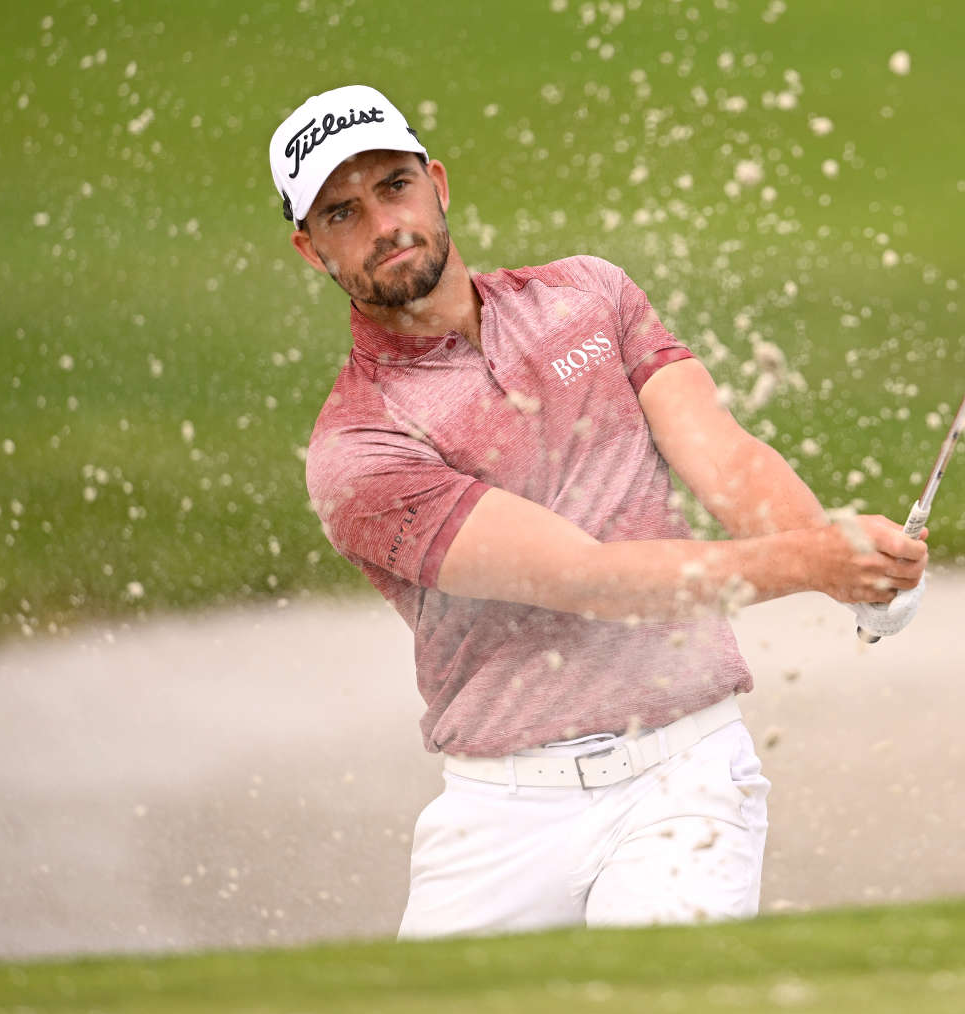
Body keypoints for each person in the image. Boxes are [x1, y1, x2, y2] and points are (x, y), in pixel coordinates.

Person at [266, 84, 928, 938]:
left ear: (437, 182)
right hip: (500, 813)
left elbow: (723, 457)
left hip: (684, 777)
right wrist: (817, 564)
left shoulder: (590, 296)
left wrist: (851, 566)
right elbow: (590, 577)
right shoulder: (358, 447)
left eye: (394, 186)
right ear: (309, 248)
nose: (383, 224)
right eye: (342, 213)